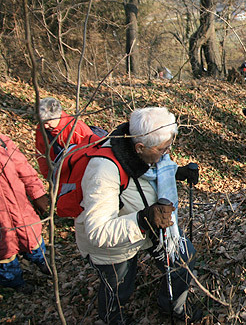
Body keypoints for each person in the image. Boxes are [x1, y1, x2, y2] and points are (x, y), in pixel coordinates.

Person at [75, 107, 200, 323]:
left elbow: (149, 174)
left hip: (149, 226)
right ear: (140, 147)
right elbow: (97, 231)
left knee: (183, 256)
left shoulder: (143, 154)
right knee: (119, 290)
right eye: (163, 149)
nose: (167, 153)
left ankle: (171, 305)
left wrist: (176, 172)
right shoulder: (103, 171)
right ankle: (113, 318)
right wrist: (142, 220)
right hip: (115, 246)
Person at [0, 134, 51, 294]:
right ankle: (14, 282)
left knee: (32, 236)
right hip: (1, 219)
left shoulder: (3, 142)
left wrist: (37, 194)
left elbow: (24, 168)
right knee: (4, 250)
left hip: (21, 207)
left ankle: (42, 262)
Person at [35, 97, 95, 179]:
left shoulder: (76, 129)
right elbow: (41, 154)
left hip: (79, 175)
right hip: (57, 176)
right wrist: (49, 176)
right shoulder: (41, 129)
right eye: (42, 122)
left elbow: (92, 153)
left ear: (58, 116)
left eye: (48, 123)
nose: (45, 126)